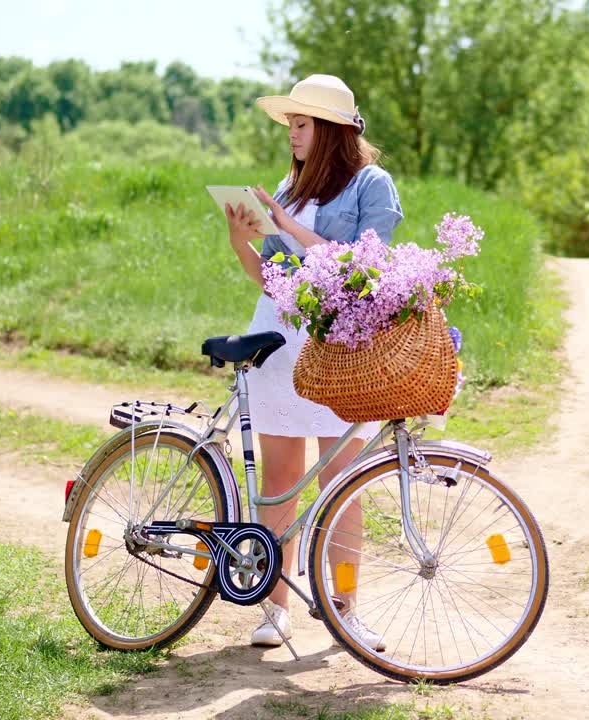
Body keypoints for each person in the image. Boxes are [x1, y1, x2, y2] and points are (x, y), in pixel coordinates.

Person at [223, 74, 403, 651]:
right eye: (292, 126)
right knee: (277, 486)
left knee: (341, 487)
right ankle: (275, 608)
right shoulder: (290, 187)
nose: (293, 136)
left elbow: (364, 267)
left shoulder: (372, 185)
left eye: (301, 125)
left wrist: (287, 225)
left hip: (339, 353)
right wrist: (242, 240)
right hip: (277, 345)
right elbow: (271, 280)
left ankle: (346, 606)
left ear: (328, 130)